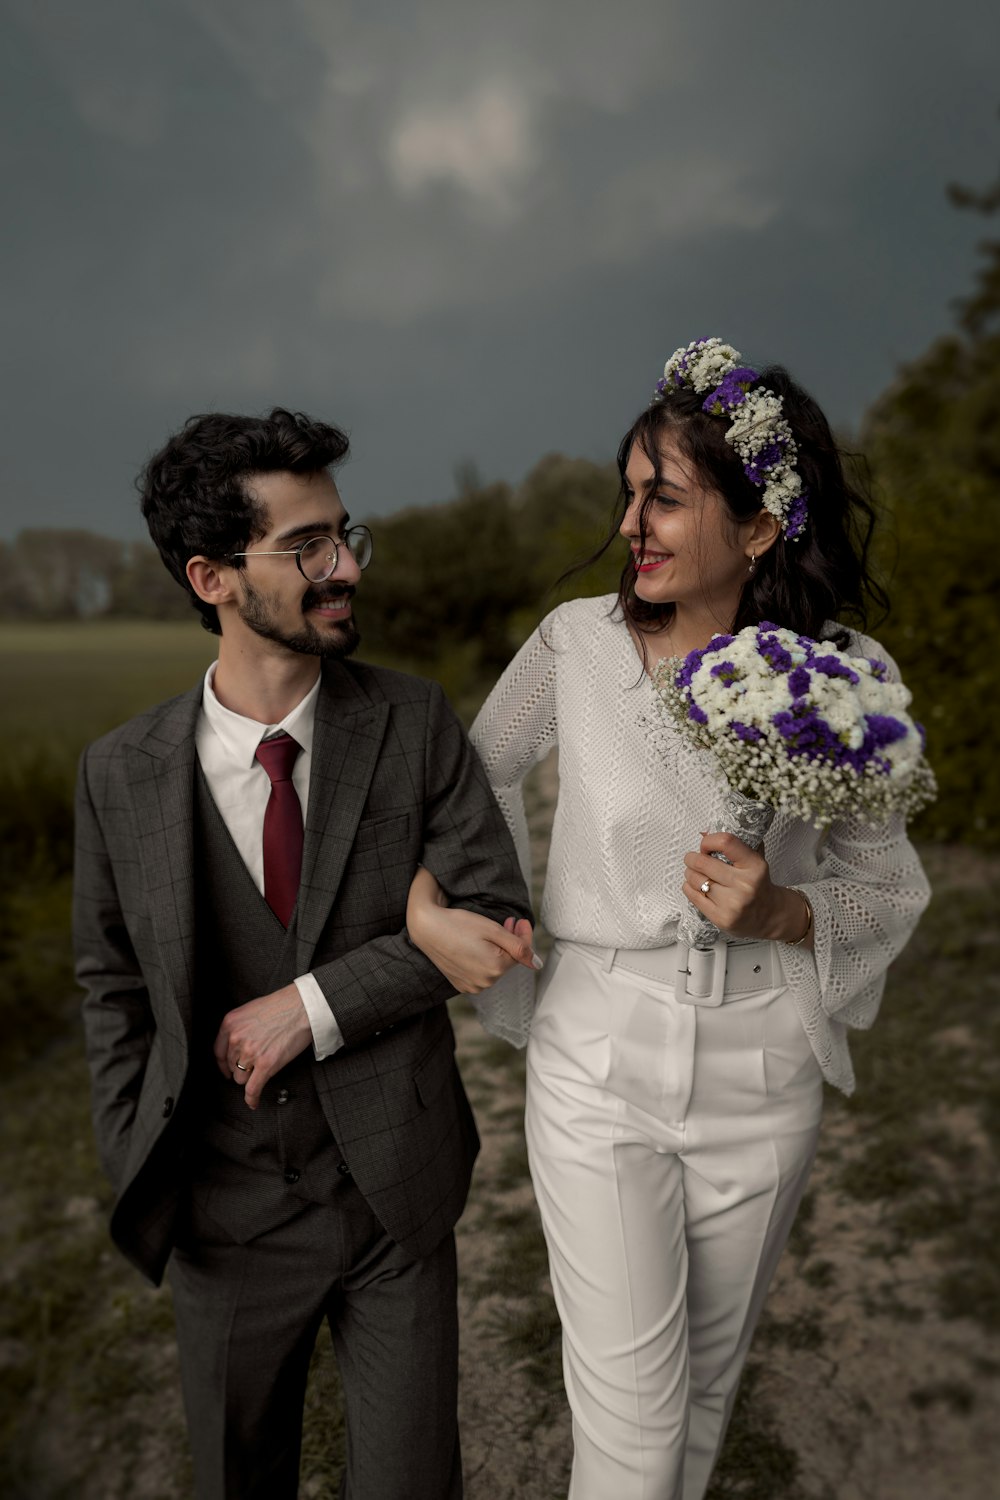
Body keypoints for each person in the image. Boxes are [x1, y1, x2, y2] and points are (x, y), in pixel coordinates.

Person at [406, 339, 932, 1500]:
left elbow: (888, 884)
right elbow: (469, 782)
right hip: (598, 1052)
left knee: (700, 1395)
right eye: (628, 493)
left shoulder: (842, 672)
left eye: (666, 498)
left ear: (755, 529)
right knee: (634, 1423)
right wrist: (478, 911)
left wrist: (786, 908)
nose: (633, 524)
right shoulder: (573, 648)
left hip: (764, 1065)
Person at [73, 407, 537, 1500]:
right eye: (306, 548)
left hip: (394, 1205)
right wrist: (137, 1149)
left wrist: (313, 1004)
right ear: (212, 577)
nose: (344, 570)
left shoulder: (414, 723)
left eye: (345, 536)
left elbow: (495, 918)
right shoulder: (118, 775)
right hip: (220, 1223)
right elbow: (110, 985)